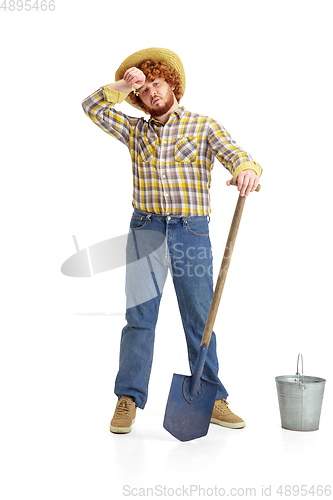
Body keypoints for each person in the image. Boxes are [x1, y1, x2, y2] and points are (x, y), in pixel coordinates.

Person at [82, 47, 262, 435]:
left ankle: (212, 397)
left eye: (157, 84)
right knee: (139, 317)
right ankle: (127, 398)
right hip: (145, 229)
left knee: (201, 318)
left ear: (172, 83)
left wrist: (246, 170)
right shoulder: (134, 130)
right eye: (143, 91)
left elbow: (237, 155)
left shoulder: (203, 126)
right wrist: (120, 84)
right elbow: (92, 106)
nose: (152, 94)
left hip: (190, 230)